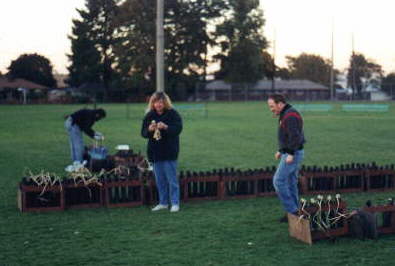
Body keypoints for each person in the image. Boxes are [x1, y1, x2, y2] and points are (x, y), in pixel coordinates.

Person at [141, 92, 183, 212]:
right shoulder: (149, 116)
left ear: (165, 102)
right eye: (156, 102)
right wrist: (149, 129)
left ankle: (175, 203)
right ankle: (163, 203)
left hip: (169, 151)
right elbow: (143, 133)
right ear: (152, 103)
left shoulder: (173, 114)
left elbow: (178, 129)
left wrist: (166, 127)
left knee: (172, 180)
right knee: (160, 180)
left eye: (161, 102)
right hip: (155, 152)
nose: (158, 104)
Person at [267, 94, 305, 222]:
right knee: (290, 182)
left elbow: (296, 136)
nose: (271, 109)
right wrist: (281, 150)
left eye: (272, 106)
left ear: (280, 104)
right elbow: (287, 135)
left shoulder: (290, 116)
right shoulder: (286, 114)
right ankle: (295, 211)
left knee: (278, 181)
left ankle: (292, 211)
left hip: (292, 154)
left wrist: (290, 154)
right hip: (289, 152)